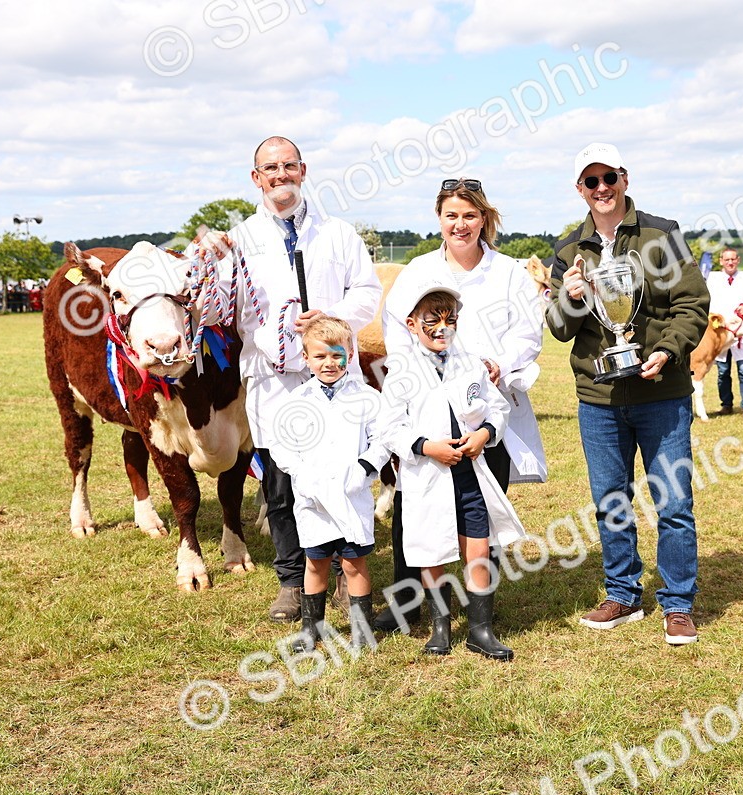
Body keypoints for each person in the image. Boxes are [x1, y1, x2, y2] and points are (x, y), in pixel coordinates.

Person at [199, 136, 382, 623]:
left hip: (336, 375)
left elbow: (367, 292)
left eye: (287, 166)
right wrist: (204, 266)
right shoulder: (239, 241)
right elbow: (219, 308)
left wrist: (333, 317)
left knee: (345, 474)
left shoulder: (339, 233)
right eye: (269, 168)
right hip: (274, 380)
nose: (280, 175)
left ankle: (346, 572)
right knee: (282, 482)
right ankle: (291, 579)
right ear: (255, 178)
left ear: (303, 170)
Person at [546, 142, 709, 646]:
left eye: (608, 178)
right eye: (590, 181)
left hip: (661, 391)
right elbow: (558, 328)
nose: (601, 189)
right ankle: (622, 592)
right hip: (599, 397)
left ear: (624, 178)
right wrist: (571, 300)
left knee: (674, 501)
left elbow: (692, 305)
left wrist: (666, 351)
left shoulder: (662, 234)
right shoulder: (568, 249)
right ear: (579, 189)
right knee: (610, 501)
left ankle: (677, 603)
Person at [373, 178, 546, 633]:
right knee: (415, 510)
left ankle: (478, 609)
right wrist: (415, 364)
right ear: (439, 220)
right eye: (452, 215)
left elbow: (528, 333)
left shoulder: (509, 272)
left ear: (484, 218)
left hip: (484, 407)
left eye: (470, 215)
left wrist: (500, 365)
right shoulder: (417, 271)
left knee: (480, 511)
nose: (461, 224)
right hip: (426, 410)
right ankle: (408, 603)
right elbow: (396, 330)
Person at [383, 280, 525, 661]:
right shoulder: (401, 372)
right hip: (428, 476)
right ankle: (440, 626)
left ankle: (480, 628)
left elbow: (497, 408)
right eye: (432, 320)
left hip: (470, 473)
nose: (442, 328)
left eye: (451, 320)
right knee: (432, 547)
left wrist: (484, 433)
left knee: (477, 546)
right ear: (412, 325)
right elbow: (388, 427)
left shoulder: (471, 364)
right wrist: (426, 447)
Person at [267, 316, 400, 652]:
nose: (329, 363)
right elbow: (282, 447)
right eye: (320, 356)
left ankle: (361, 630)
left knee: (355, 563)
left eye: (336, 355)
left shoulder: (367, 397)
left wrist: (364, 469)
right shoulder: (297, 400)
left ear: (350, 354)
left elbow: (382, 439)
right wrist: (304, 476)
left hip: (352, 495)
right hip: (313, 499)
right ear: (307, 358)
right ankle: (311, 630)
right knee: (316, 562)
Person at [705, 248, 743, 418]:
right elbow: (707, 303)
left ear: (738, 260)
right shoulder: (712, 280)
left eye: (733, 259)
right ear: (721, 261)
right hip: (721, 333)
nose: (730, 262)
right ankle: (726, 404)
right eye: (726, 259)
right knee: (723, 370)